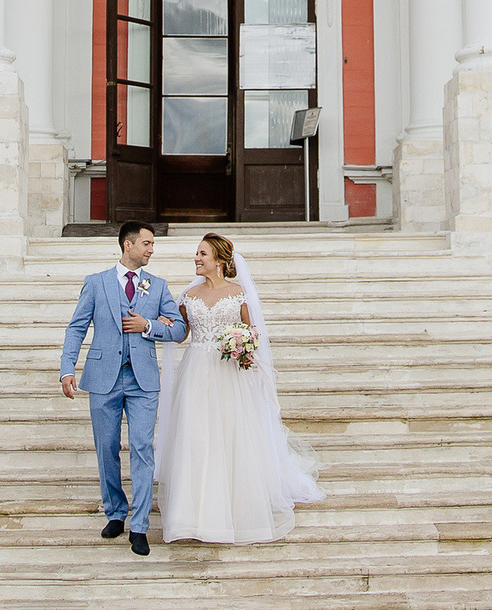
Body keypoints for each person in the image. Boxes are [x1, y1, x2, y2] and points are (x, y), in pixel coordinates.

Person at [151, 233, 325, 544]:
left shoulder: (239, 293)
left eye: (202, 254)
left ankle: (233, 510)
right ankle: (190, 516)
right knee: (196, 437)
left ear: (218, 259)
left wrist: (243, 345)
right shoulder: (188, 296)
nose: (197, 259)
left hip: (229, 373)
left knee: (230, 436)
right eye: (197, 254)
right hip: (196, 372)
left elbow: (252, 332)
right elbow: (180, 335)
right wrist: (155, 325)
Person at [59, 222, 185, 556]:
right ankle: (115, 511)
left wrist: (150, 326)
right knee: (106, 447)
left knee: (143, 448)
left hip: (143, 380)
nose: (152, 249)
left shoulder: (157, 287)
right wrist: (66, 369)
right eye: (147, 243)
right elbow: (76, 328)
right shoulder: (96, 283)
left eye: (153, 244)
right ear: (127, 245)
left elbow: (180, 329)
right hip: (103, 377)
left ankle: (140, 525)